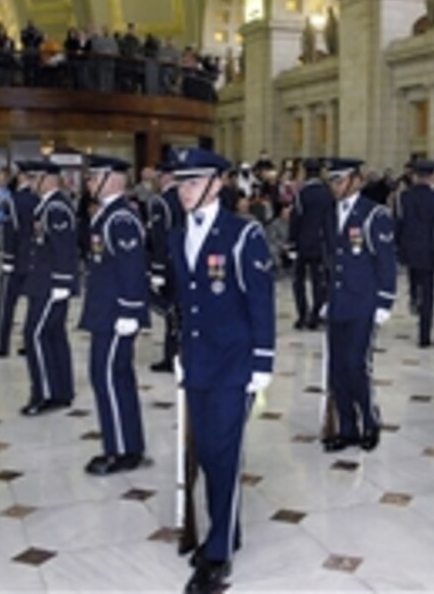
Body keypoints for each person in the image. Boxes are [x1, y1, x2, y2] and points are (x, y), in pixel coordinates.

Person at [166, 147, 275, 594]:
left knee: (223, 456)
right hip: (197, 360)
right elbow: (186, 298)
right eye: (180, 184)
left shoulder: (242, 235)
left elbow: (260, 301)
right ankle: (224, 530)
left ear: (217, 184)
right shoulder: (178, 234)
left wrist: (262, 363)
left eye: (192, 183)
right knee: (206, 453)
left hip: (234, 364)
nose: (183, 192)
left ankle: (218, 554)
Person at [79, 154, 150, 475]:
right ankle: (127, 444)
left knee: (107, 377)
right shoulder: (107, 216)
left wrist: (129, 311)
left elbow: (132, 268)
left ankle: (120, 450)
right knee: (115, 377)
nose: (89, 182)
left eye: (95, 177)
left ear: (114, 179)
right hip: (105, 311)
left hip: (115, 314)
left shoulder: (121, 218)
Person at [322, 157, 397, 453]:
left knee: (357, 365)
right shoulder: (332, 214)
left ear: (355, 180)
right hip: (339, 302)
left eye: (340, 181)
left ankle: (370, 421)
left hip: (363, 303)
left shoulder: (373, 215)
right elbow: (333, 261)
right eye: (333, 181)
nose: (335, 187)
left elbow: (386, 262)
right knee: (338, 367)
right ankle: (348, 428)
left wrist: (384, 301)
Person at [20, 160, 78, 416]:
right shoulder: (46, 206)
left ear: (49, 179)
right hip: (43, 282)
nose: (31, 183)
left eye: (35, 178)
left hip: (50, 284)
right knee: (53, 335)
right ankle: (61, 390)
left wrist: (63, 283)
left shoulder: (56, 208)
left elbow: (64, 247)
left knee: (35, 335)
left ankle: (45, 393)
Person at [395, 159, 434, 347]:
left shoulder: (404, 197)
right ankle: (424, 334)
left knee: (415, 277)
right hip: (429, 250)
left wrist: (397, 247)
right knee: (429, 292)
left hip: (409, 248)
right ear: (431, 177)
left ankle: (414, 297)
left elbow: (399, 224)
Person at [0, 164, 38, 357]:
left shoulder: (13, 201)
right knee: (35, 304)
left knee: (6, 302)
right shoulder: (39, 200)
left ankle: (0, 343)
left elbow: (10, 232)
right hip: (36, 259)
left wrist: (7, 259)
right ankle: (30, 342)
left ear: (22, 177)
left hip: (16, 258)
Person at [147, 157, 186, 372]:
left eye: (159, 176)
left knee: (171, 312)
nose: (157, 181)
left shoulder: (160, 202)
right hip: (186, 261)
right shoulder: (186, 197)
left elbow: (159, 238)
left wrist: (158, 269)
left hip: (169, 265)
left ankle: (172, 356)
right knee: (183, 311)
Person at [288, 158, 334, 331]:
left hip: (302, 243)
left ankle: (302, 315)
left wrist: (292, 242)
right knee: (319, 281)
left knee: (298, 281)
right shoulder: (327, 193)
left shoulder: (301, 194)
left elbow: (296, 219)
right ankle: (316, 315)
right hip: (321, 243)